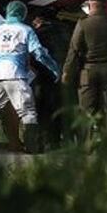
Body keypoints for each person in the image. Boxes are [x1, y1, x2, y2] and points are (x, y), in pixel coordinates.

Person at [0, 1, 61, 154]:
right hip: (17, 75)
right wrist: (54, 68)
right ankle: (31, 147)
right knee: (27, 111)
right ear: (23, 14)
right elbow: (39, 53)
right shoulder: (26, 30)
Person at [62, 0, 107, 144]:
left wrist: (67, 71)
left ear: (91, 3)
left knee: (86, 109)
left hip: (88, 70)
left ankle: (85, 144)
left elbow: (73, 49)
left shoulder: (83, 24)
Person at [30, 9, 70, 147]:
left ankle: (43, 140)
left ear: (39, 20)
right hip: (61, 75)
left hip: (42, 77)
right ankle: (56, 140)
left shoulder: (36, 34)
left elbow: (34, 55)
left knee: (42, 110)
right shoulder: (65, 31)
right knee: (59, 107)